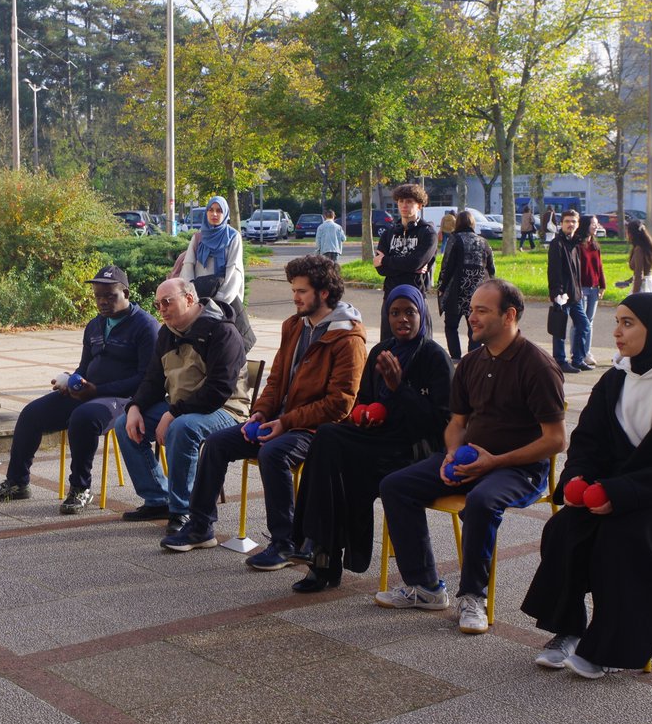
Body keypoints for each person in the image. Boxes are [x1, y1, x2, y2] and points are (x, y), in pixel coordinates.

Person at [521, 293, 652, 678]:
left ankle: (609, 647)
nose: (616, 332)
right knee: (565, 527)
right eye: (617, 321)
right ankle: (568, 631)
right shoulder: (616, 378)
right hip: (613, 488)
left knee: (624, 537)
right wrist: (578, 478)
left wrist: (620, 495)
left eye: (628, 323)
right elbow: (588, 441)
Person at [375, 278, 566, 635]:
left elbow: (556, 440)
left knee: (479, 501)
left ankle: (473, 597)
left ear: (509, 315)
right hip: (469, 459)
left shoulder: (538, 366)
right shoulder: (472, 361)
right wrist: (450, 454)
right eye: (471, 309)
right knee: (396, 485)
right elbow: (456, 423)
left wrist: (494, 461)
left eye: (481, 310)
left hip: (518, 469)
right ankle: (426, 587)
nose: (471, 317)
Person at [160, 255, 367, 568]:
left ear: (324, 293)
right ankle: (200, 527)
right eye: (293, 290)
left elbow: (340, 404)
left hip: (316, 430)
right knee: (217, 444)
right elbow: (275, 382)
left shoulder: (347, 337)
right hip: (280, 422)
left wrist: (286, 422)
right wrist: (261, 413)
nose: (294, 297)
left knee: (273, 454)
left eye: (301, 291)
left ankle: (285, 543)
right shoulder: (295, 326)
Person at [289, 284, 453, 592]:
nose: (402, 319)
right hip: (377, 438)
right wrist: (363, 413)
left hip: (415, 448)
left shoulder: (434, 357)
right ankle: (317, 548)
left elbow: (440, 424)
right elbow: (362, 400)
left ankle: (322, 556)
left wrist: (399, 388)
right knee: (327, 441)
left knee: (337, 459)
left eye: (410, 312)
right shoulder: (381, 351)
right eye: (394, 313)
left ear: (422, 315)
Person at [0, 266, 160, 513]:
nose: (103, 302)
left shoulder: (146, 326)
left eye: (110, 296)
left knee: (83, 417)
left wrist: (95, 391)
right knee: (32, 413)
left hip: (124, 400)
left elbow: (144, 378)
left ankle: (81, 488)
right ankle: (17, 483)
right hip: (90, 392)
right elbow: (85, 366)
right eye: (98, 296)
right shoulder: (95, 325)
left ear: (126, 293)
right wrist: (71, 381)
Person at [113, 277, 252, 534]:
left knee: (183, 428)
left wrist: (173, 413)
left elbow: (218, 390)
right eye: (157, 304)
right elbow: (153, 379)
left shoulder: (222, 331)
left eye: (167, 302)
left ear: (189, 299)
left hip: (227, 410)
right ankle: (157, 499)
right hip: (181, 408)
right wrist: (134, 406)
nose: (162, 309)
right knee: (124, 424)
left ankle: (183, 510)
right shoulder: (166, 333)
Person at [176, 195, 254, 351]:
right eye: (211, 210)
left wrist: (220, 301)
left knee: (228, 342)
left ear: (224, 214)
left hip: (224, 297)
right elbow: (188, 266)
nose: (214, 214)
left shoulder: (233, 237)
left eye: (219, 211)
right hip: (200, 297)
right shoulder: (198, 237)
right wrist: (192, 297)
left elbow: (234, 271)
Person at [374, 184, 437, 341]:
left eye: (409, 201)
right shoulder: (388, 233)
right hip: (390, 296)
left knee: (420, 345)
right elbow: (380, 269)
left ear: (419, 205)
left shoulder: (428, 233)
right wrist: (406, 265)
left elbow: (415, 262)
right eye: (401, 201)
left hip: (415, 296)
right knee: (388, 346)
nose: (404, 205)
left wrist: (387, 261)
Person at [437, 210, 495, 361]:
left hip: (457, 290)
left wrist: (441, 286)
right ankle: (473, 357)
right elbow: (492, 268)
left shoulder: (455, 239)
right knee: (475, 326)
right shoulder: (483, 241)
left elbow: (447, 265)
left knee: (451, 325)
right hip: (478, 292)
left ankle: (455, 356)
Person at [547, 209, 590, 374]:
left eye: (573, 221)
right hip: (563, 295)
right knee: (559, 329)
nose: (570, 224)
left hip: (576, 295)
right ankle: (559, 361)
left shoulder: (575, 243)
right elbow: (554, 270)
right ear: (561, 223)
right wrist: (557, 293)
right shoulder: (557, 244)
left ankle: (578, 360)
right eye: (567, 221)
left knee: (584, 325)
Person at [577, 214, 606, 366]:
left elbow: (599, 267)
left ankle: (586, 352)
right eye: (593, 224)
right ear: (585, 225)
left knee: (590, 322)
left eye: (597, 224)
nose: (596, 226)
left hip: (594, 288)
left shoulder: (595, 245)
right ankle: (578, 353)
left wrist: (602, 285)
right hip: (581, 288)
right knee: (580, 323)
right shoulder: (578, 245)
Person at [616, 220, 652, 294]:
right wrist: (628, 282)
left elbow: (639, 274)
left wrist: (634, 296)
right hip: (647, 284)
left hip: (643, 287)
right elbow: (643, 272)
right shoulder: (643, 247)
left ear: (632, 233)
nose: (626, 234)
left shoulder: (639, 250)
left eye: (627, 231)